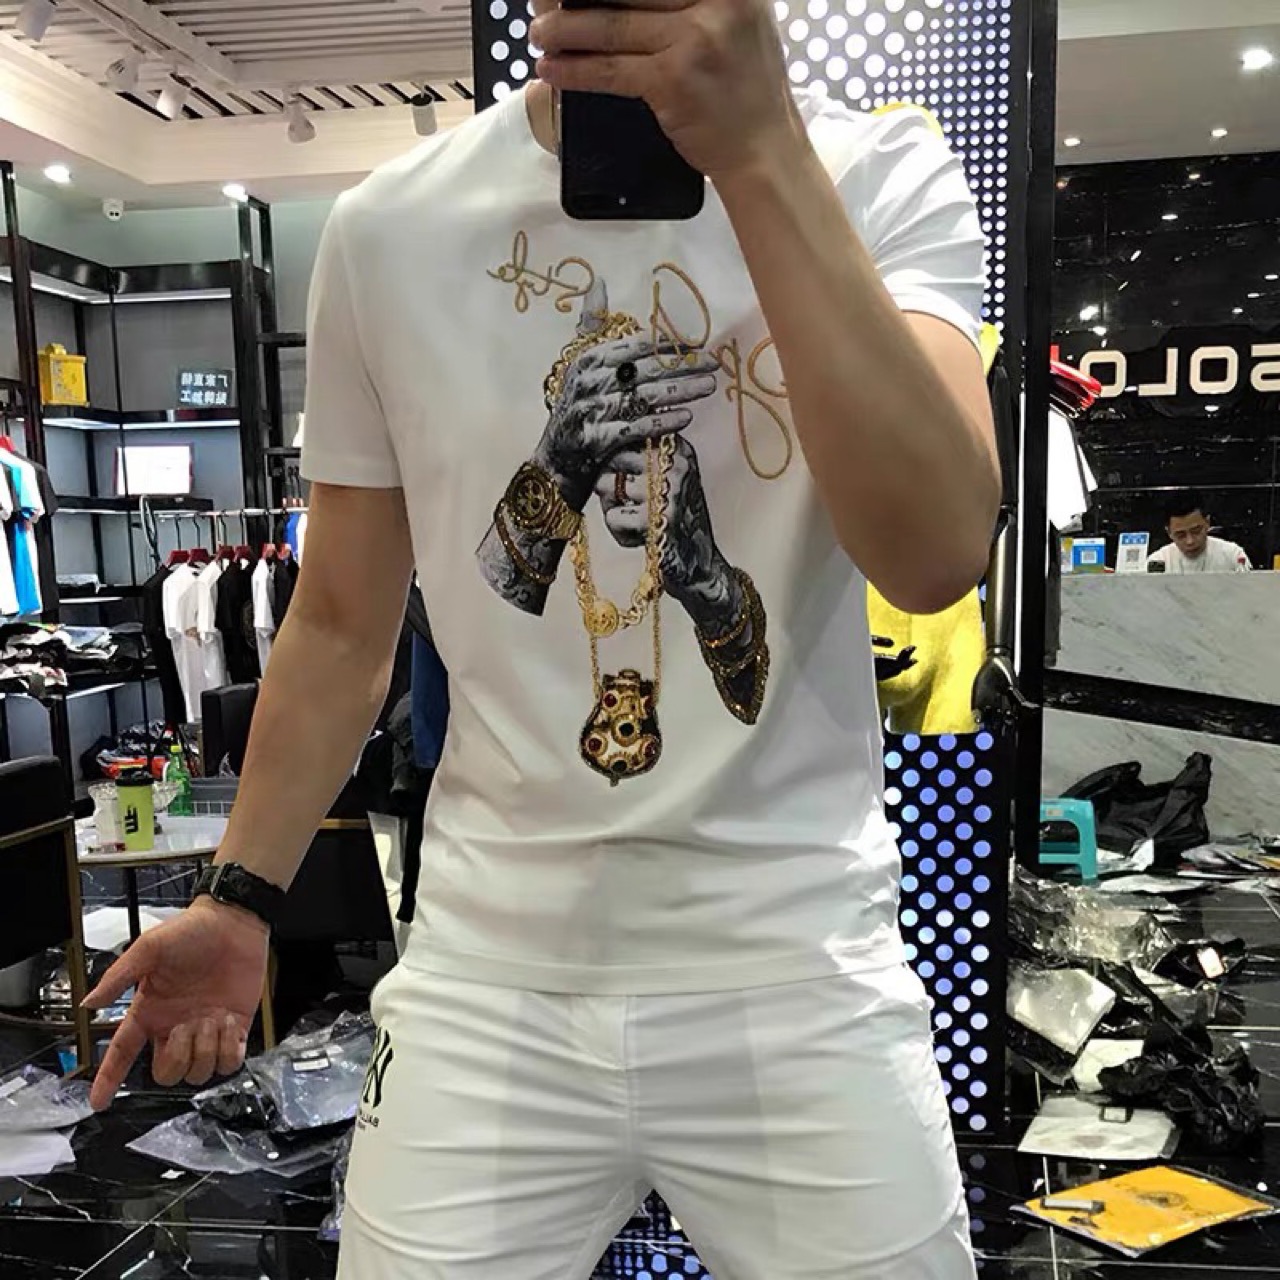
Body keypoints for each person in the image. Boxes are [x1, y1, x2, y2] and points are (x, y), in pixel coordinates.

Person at [84, 5, 1000, 1277]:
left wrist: (759, 156)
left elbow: (936, 548)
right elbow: (340, 617)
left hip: (793, 964)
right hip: (490, 971)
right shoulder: (392, 228)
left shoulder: (872, 172)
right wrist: (238, 897)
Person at [1148, 490, 1250, 575]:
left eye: (1196, 531)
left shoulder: (1233, 556)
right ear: (1169, 532)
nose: (1190, 541)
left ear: (1207, 523)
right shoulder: (1157, 561)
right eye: (1181, 535)